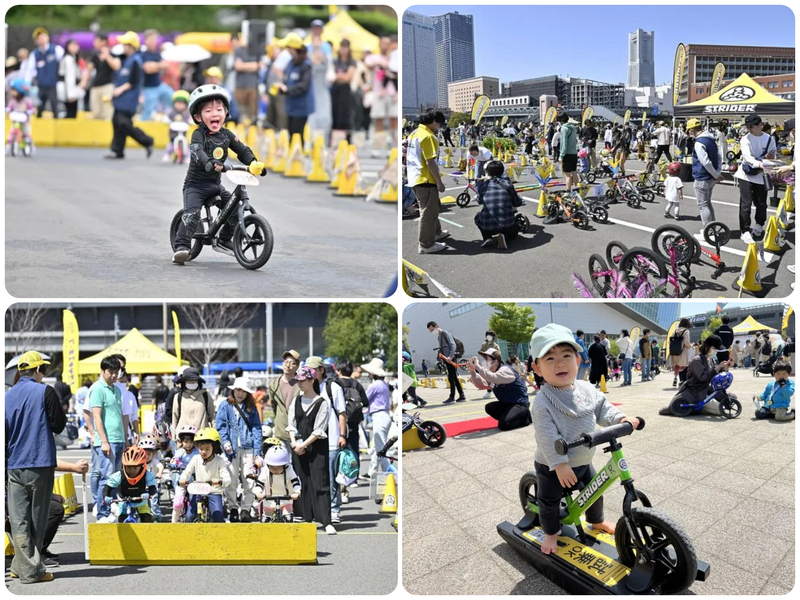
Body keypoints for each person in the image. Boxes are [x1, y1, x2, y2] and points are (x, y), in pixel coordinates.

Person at [530, 324, 638, 554]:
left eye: (566, 356)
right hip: (553, 465)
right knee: (549, 501)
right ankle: (550, 533)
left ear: (578, 361)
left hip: (583, 458)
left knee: (596, 489)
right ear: (537, 368)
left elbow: (603, 408)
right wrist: (559, 464)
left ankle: (596, 520)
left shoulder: (586, 388)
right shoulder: (542, 402)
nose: (560, 363)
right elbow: (547, 436)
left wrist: (620, 419)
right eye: (550, 358)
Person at [171, 85, 264, 265]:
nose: (215, 113)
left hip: (214, 185)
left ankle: (224, 239)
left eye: (219, 109)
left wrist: (253, 162)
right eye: (208, 110)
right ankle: (181, 246)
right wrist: (208, 162)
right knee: (192, 216)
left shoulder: (227, 134)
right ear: (198, 117)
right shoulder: (198, 134)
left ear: (226, 112)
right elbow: (197, 151)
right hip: (195, 186)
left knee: (234, 209)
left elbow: (241, 150)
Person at [5, 352, 66, 583]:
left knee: (19, 519)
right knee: (37, 519)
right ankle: (33, 572)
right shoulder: (45, 392)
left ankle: (20, 567)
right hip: (39, 462)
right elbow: (58, 425)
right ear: (38, 370)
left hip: (14, 465)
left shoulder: (7, 397)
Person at [286, 366, 336, 534]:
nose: (299, 384)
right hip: (298, 447)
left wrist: (303, 445)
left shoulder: (322, 402)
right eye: (297, 381)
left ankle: (326, 520)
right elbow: (291, 424)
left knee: (320, 482)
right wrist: (294, 443)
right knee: (301, 482)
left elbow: (319, 429)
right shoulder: (296, 400)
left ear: (311, 380)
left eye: (302, 380)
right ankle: (306, 517)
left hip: (317, 448)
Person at [216, 377, 262, 522]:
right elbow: (221, 426)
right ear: (233, 390)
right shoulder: (225, 405)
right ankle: (233, 508)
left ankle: (246, 509)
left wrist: (257, 451)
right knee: (231, 479)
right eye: (238, 390)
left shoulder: (251, 407)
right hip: (231, 450)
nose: (240, 393)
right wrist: (225, 442)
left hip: (248, 447)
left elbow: (257, 429)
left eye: (243, 391)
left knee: (249, 480)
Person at [306, 357, 346, 525]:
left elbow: (342, 413)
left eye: (314, 369)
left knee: (330, 476)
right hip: (312, 440)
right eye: (309, 369)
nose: (312, 372)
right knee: (315, 477)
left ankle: (334, 509)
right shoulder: (305, 389)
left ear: (322, 370)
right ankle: (319, 510)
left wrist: (342, 435)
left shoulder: (333, 388)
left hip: (331, 439)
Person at [89, 356, 128, 521]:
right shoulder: (97, 388)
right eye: (110, 372)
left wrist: (125, 439)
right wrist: (103, 441)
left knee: (117, 477)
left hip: (118, 439)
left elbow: (119, 416)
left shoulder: (117, 390)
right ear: (103, 371)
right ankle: (102, 513)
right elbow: (96, 417)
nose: (113, 375)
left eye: (116, 372)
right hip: (107, 441)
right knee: (106, 477)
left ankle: (113, 508)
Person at [106, 31, 154, 160]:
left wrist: (119, 90)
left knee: (124, 123)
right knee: (116, 122)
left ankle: (147, 141)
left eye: (125, 44)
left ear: (131, 46)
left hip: (128, 99)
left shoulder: (135, 61)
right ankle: (117, 150)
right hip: (120, 98)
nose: (123, 46)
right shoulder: (126, 59)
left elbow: (133, 81)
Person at [408, 109, 450, 254]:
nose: (439, 126)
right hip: (425, 178)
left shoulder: (414, 133)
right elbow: (430, 162)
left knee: (431, 209)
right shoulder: (428, 137)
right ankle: (426, 244)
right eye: (439, 123)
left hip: (415, 177)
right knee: (428, 213)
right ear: (433, 121)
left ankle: (436, 233)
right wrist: (439, 182)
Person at [665, 335, 734, 417]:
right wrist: (718, 367)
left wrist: (725, 368)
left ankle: (706, 406)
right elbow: (703, 377)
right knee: (720, 410)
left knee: (732, 398)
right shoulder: (697, 360)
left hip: (707, 389)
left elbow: (715, 377)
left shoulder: (711, 360)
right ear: (708, 347)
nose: (716, 351)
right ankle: (700, 408)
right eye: (715, 349)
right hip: (696, 391)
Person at [736, 114, 778, 244]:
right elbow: (747, 157)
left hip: (762, 175)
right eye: (747, 126)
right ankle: (745, 230)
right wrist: (759, 163)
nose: (749, 129)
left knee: (761, 203)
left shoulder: (769, 139)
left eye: (751, 126)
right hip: (746, 175)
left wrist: (770, 158)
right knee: (745, 204)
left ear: (760, 125)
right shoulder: (745, 139)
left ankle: (759, 225)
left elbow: (773, 154)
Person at [468, 348, 531, 431]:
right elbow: (481, 384)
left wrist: (478, 366)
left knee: (504, 425)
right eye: (484, 359)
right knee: (489, 407)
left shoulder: (505, 370)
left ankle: (526, 418)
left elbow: (494, 378)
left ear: (496, 361)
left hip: (520, 403)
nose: (484, 362)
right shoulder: (492, 373)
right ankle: (511, 417)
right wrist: (472, 371)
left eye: (487, 359)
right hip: (507, 403)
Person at [179, 427, 230, 523]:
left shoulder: (219, 460)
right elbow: (187, 471)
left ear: (214, 448)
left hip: (214, 491)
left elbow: (227, 478)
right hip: (198, 490)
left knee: (218, 517)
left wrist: (220, 481)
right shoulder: (196, 458)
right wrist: (183, 479)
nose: (203, 452)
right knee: (189, 516)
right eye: (201, 449)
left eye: (207, 449)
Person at [98, 446, 157, 523]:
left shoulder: (147, 475)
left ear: (142, 466)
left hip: (141, 500)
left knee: (146, 518)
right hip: (124, 500)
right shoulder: (118, 475)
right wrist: (106, 496)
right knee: (122, 518)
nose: (131, 471)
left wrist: (148, 493)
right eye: (128, 467)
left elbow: (153, 488)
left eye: (135, 468)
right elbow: (107, 487)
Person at [474, 160, 524, 250]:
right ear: (502, 171)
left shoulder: (484, 185)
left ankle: (487, 237)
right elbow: (516, 202)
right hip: (506, 223)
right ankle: (504, 237)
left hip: (488, 225)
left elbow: (479, 201)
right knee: (514, 231)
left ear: (488, 172)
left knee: (478, 217)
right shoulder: (507, 184)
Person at [274, 33, 314, 143]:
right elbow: (286, 78)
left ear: (294, 49)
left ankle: (298, 158)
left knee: (297, 134)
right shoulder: (291, 63)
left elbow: (303, 86)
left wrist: (288, 89)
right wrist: (281, 87)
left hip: (301, 107)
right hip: (291, 106)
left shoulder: (306, 65)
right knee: (291, 134)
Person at [686, 117, 723, 226]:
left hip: (702, 176)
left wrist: (716, 174)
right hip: (711, 176)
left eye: (689, 130)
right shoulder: (711, 139)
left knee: (703, 205)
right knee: (707, 203)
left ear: (692, 130)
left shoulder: (699, 142)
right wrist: (717, 172)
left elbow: (705, 161)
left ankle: (708, 230)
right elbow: (719, 156)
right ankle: (712, 227)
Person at [362, 358, 392, 482]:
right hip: (384, 416)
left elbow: (364, 400)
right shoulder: (384, 384)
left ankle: (389, 473)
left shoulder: (374, 385)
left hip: (379, 417)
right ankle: (371, 473)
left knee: (380, 449)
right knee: (377, 446)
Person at [253, 445, 301, 521]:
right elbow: (259, 484)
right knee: (265, 519)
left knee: (288, 518)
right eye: (272, 467)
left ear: (284, 465)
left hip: (286, 499)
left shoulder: (289, 469)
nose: (275, 470)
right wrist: (258, 493)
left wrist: (296, 492)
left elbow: (295, 482)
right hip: (268, 499)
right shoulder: (265, 470)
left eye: (278, 468)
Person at [270, 350, 300, 454]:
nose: (288, 365)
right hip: (281, 430)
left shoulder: (302, 383)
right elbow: (273, 406)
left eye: (292, 363)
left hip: (298, 431)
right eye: (286, 362)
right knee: (282, 462)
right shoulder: (274, 384)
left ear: (297, 366)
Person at [427, 321, 465, 403]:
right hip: (446, 359)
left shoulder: (445, 333)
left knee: (451, 378)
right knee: (454, 377)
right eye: (430, 331)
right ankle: (462, 396)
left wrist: (450, 357)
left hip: (451, 359)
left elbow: (453, 345)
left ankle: (452, 397)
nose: (432, 332)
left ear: (437, 326)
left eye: (432, 329)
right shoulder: (439, 337)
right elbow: (442, 348)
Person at [82, 34, 117, 121]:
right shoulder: (95, 55)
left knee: (107, 112)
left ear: (103, 42)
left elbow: (116, 66)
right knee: (96, 113)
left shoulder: (113, 54)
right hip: (96, 85)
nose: (94, 43)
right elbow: (88, 70)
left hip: (107, 85)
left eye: (96, 41)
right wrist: (84, 82)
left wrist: (107, 56)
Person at [306, 26, 332, 143]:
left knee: (325, 118)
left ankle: (323, 142)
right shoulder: (307, 61)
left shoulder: (326, 59)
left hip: (323, 91)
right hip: (311, 92)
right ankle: (311, 143)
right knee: (312, 119)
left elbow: (331, 73)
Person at [168, 424, 199, 522]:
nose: (188, 444)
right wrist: (175, 463)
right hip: (181, 479)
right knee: (177, 502)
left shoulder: (197, 452)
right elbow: (174, 461)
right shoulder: (180, 452)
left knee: (195, 500)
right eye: (186, 442)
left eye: (190, 442)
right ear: (182, 442)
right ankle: (174, 522)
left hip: (193, 479)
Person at [171, 367, 216, 432]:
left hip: (202, 437)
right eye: (188, 380)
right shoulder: (178, 397)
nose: (191, 382)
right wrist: (174, 437)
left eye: (194, 380)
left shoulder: (205, 395)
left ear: (198, 381)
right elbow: (175, 419)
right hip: (183, 438)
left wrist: (215, 436)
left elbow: (213, 417)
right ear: (184, 382)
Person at [31, 28, 63, 118]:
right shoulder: (35, 54)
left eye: (43, 37)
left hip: (53, 84)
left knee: (55, 106)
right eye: (38, 38)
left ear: (47, 37)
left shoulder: (56, 50)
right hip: (41, 85)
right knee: (40, 107)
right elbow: (31, 70)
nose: (41, 39)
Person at [330, 39, 356, 142]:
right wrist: (340, 76)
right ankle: (335, 140)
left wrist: (340, 76)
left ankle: (345, 141)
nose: (343, 50)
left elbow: (348, 77)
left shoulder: (351, 62)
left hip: (346, 90)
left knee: (345, 115)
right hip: (335, 89)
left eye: (345, 47)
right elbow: (332, 76)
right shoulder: (335, 61)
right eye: (342, 47)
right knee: (334, 114)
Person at [57, 39, 84, 119]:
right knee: (70, 113)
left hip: (72, 88)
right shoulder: (68, 59)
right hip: (67, 89)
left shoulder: (74, 58)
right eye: (72, 45)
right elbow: (69, 77)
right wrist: (70, 93)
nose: (75, 48)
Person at [669, 318, 693, 386]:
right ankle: (682, 381)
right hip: (682, 351)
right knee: (684, 366)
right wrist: (690, 345)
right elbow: (686, 342)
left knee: (676, 366)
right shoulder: (686, 331)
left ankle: (675, 378)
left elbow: (670, 340)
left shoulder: (675, 330)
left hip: (674, 351)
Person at [558, 112, 579, 191]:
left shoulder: (564, 128)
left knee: (567, 174)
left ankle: (568, 191)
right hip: (574, 153)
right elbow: (576, 141)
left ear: (560, 120)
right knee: (574, 172)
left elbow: (564, 143)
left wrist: (561, 156)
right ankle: (577, 189)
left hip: (567, 154)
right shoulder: (573, 128)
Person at [480, 331, 501, 399]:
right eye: (487, 335)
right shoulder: (484, 344)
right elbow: (481, 351)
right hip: (486, 362)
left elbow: (498, 354)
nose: (489, 336)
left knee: (494, 376)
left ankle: (497, 390)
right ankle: (489, 391)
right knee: (487, 377)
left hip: (493, 362)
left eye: (490, 335)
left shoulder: (495, 345)